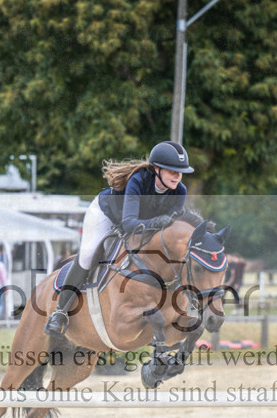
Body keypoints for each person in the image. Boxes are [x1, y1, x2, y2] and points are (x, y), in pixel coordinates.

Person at [45, 140, 194, 335]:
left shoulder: (180, 191)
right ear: (156, 169)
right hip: (106, 214)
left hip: (140, 225)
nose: (177, 176)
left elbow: (167, 228)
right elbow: (129, 224)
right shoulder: (138, 180)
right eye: (172, 170)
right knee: (89, 254)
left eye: (180, 171)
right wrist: (156, 222)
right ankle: (60, 312)